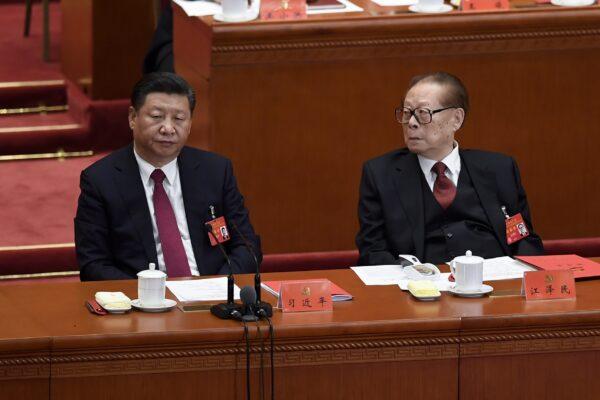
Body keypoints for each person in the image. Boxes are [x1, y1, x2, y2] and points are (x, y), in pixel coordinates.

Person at [75, 72, 261, 281]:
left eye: (179, 119)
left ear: (190, 123)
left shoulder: (216, 171)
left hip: (212, 297)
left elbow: (247, 246)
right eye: (156, 117)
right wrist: (148, 295)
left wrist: (218, 287)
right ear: (132, 118)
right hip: (142, 302)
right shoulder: (101, 180)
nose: (168, 128)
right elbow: (93, 264)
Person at [355, 72, 544, 266]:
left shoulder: (499, 169)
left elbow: (523, 239)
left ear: (457, 119)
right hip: (418, 288)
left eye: (423, 113)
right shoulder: (381, 174)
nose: (411, 122)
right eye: (407, 113)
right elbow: (373, 252)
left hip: (495, 285)